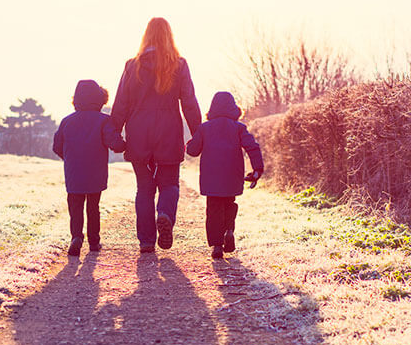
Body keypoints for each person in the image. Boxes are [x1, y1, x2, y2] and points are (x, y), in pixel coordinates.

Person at [110, 17, 202, 252]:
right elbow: (189, 103)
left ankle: (147, 241)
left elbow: (120, 103)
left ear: (146, 36)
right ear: (169, 36)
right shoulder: (179, 65)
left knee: (144, 188)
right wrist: (197, 134)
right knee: (169, 183)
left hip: (138, 133)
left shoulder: (133, 65)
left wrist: (114, 133)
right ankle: (165, 215)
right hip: (168, 132)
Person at [186, 91, 264, 259]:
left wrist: (189, 144)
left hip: (210, 177)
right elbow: (253, 147)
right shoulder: (239, 128)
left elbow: (193, 151)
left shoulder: (204, 128)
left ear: (212, 108)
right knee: (229, 203)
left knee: (213, 209)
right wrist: (257, 169)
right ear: (233, 107)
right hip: (232, 175)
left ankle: (216, 245)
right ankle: (228, 230)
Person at [53, 79, 126, 256]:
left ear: (76, 99)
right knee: (94, 206)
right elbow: (114, 143)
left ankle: (76, 237)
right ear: (100, 99)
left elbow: (56, 146)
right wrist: (125, 145)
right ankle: (94, 241)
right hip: (96, 172)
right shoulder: (103, 121)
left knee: (75, 206)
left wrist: (70, 159)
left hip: (74, 172)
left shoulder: (66, 121)